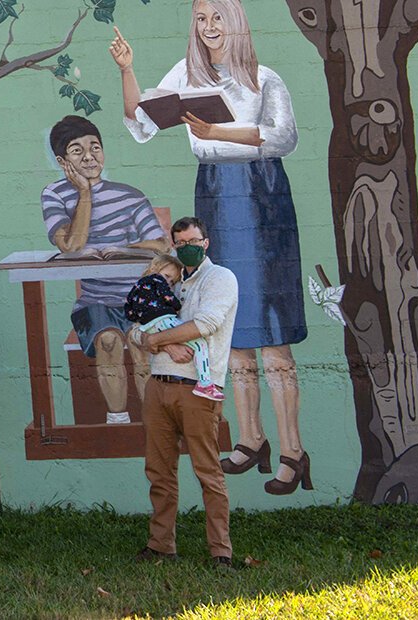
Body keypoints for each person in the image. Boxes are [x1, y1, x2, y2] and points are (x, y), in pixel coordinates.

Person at [112, 0, 309, 493]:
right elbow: (141, 122)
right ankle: (250, 438)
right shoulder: (186, 73)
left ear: (236, 23)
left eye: (217, 16)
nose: (209, 26)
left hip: (262, 196)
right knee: (235, 328)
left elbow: (284, 137)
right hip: (216, 193)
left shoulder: (266, 78)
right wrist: (127, 69)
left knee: (272, 333)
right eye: (200, 18)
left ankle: (293, 450)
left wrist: (217, 130)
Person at [128, 217, 241, 569]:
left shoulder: (220, 278)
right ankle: (161, 544)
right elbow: (134, 330)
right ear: (174, 246)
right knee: (159, 471)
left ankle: (220, 550)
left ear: (206, 242)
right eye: (180, 242)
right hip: (159, 387)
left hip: (198, 390)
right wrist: (154, 343)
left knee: (208, 471)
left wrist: (157, 341)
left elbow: (207, 324)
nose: (187, 246)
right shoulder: (168, 279)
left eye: (194, 240)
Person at [41, 115, 169, 424]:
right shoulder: (55, 194)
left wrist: (126, 249)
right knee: (109, 342)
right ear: (62, 161)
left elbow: (162, 246)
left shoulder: (130, 195)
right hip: (95, 301)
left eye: (95, 147)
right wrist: (84, 193)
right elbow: (71, 245)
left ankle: (155, 421)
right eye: (76, 150)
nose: (89, 156)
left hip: (138, 300)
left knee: (140, 343)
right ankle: (118, 421)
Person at [125, 255, 223, 401]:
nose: (168, 282)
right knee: (200, 344)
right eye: (167, 277)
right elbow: (169, 298)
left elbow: (128, 311)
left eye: (172, 281)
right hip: (162, 318)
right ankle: (205, 383)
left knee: (175, 339)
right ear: (154, 269)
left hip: (148, 326)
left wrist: (143, 318)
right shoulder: (157, 280)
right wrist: (176, 306)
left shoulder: (136, 287)